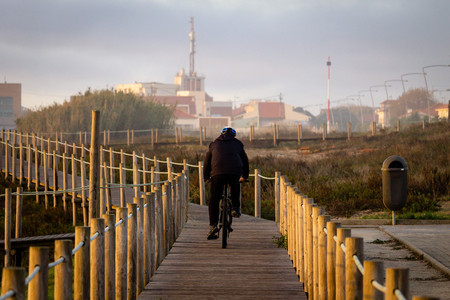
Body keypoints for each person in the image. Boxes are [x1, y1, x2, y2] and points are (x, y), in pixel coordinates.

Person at [203, 126, 249, 240]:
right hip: (234, 173)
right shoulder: (238, 144)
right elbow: (245, 161)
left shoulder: (213, 144)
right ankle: (235, 208)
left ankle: (213, 226)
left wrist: (206, 177)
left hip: (217, 174)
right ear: (233, 135)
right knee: (235, 183)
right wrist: (245, 176)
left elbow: (207, 162)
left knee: (214, 200)